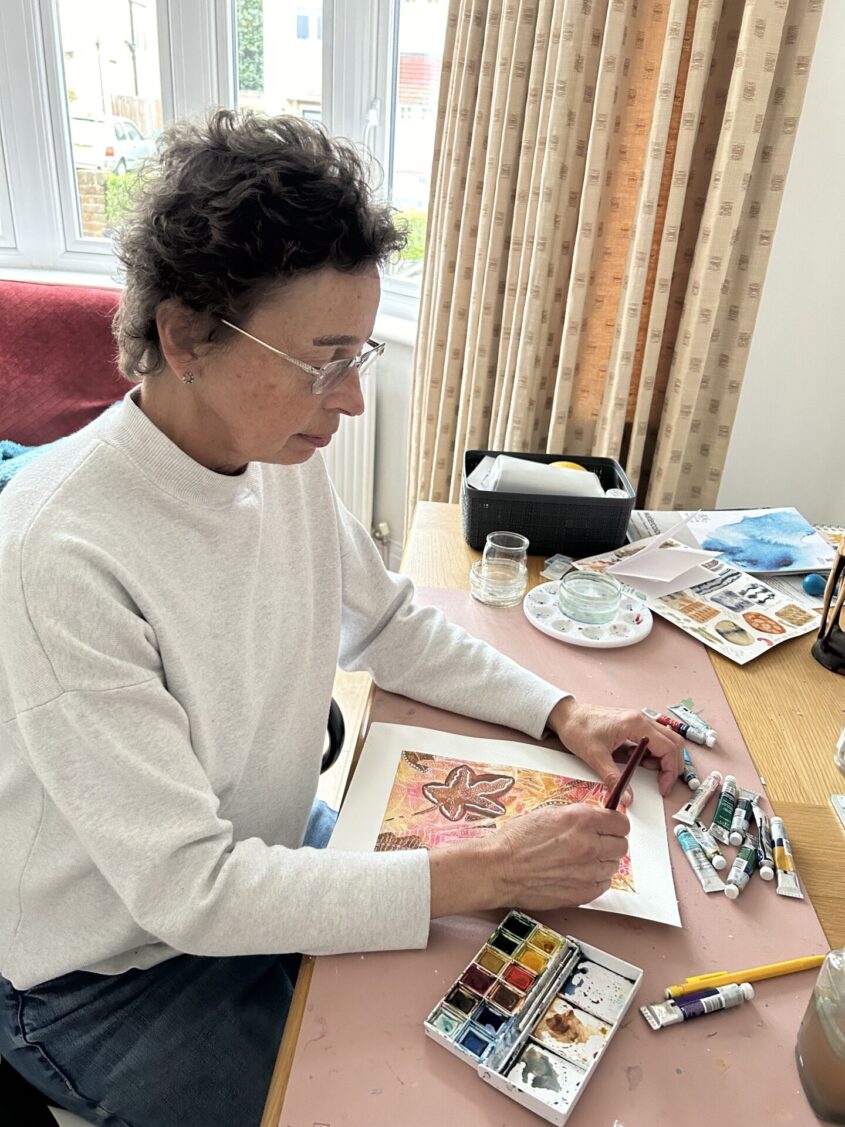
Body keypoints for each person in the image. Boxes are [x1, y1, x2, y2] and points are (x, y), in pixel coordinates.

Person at [0, 110, 681, 1127]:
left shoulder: (270, 454)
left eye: (358, 354)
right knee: (397, 1095)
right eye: (326, 359)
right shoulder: (56, 552)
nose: (352, 400)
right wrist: (485, 866)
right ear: (185, 334)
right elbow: (189, 890)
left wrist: (565, 713)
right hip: (110, 972)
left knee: (537, 997)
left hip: (261, 851)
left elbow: (389, 624)